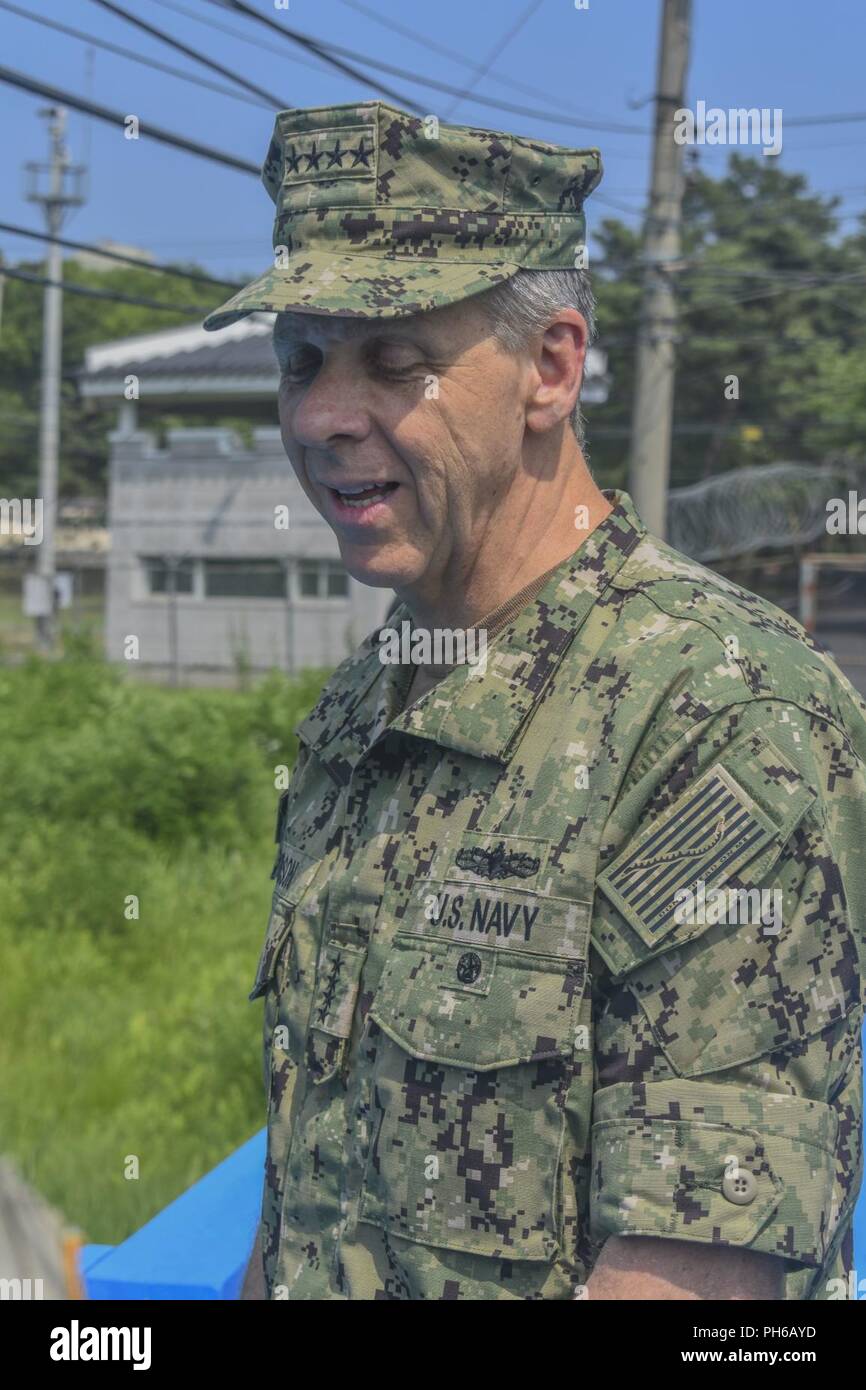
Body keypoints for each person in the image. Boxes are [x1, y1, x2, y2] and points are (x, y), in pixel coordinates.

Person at [204, 100, 866, 1301]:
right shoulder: (363, 709)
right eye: (300, 360)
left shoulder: (719, 714)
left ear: (550, 369)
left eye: (395, 360)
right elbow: (305, 1198)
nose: (318, 416)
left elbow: (693, 1277)